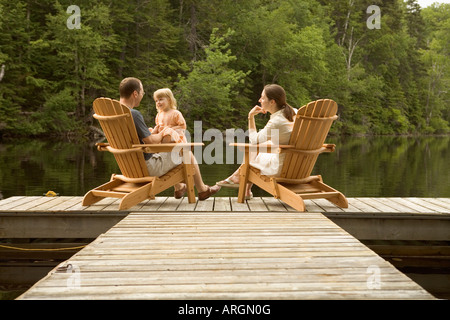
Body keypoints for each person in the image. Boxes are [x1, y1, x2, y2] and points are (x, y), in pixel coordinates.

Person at [118, 77, 220, 200]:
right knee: (186, 151)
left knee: (174, 151)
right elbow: (150, 141)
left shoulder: (114, 113)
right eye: (142, 92)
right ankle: (202, 189)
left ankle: (180, 188)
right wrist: (163, 132)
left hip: (128, 168)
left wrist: (156, 133)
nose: (142, 95)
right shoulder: (133, 114)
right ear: (135, 93)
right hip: (147, 167)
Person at [217, 84, 296, 199]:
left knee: (252, 150)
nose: (259, 100)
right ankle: (245, 189)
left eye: (263, 98)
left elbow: (254, 140)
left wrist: (250, 117)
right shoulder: (294, 113)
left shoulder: (276, 122)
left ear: (272, 102)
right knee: (256, 148)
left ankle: (237, 179)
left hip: (280, 168)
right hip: (295, 165)